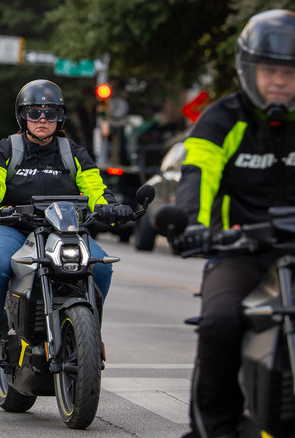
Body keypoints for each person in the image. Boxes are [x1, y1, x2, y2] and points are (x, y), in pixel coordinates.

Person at [172, 9, 295, 438]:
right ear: (249, 69)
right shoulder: (221, 119)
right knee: (220, 321)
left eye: (289, 71)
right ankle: (213, 429)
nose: (279, 80)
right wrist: (193, 224)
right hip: (240, 251)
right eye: (270, 69)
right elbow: (198, 176)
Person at [0, 79, 133, 367]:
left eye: (50, 113)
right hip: (12, 226)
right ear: (23, 117)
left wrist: (110, 209)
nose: (42, 119)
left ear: (61, 117)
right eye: (34, 113)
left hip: (63, 229)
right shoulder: (5, 149)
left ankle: (88, 336)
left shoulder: (73, 153)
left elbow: (95, 188)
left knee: (102, 266)